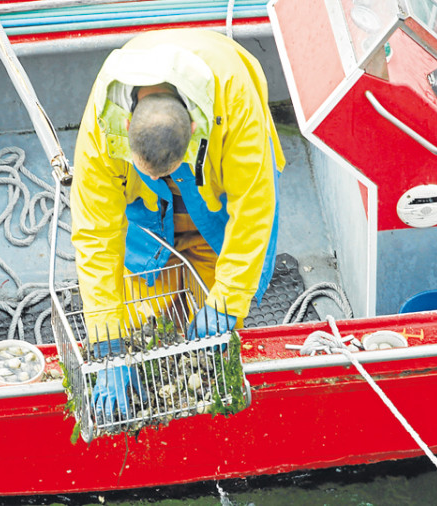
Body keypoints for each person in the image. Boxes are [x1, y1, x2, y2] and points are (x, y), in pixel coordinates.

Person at [70, 28, 286, 420]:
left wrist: (227, 302)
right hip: (151, 222)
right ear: (127, 124)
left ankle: (215, 288)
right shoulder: (103, 123)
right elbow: (95, 232)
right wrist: (107, 346)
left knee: (215, 342)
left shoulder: (234, 98)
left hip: (213, 213)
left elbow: (253, 209)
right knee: (134, 333)